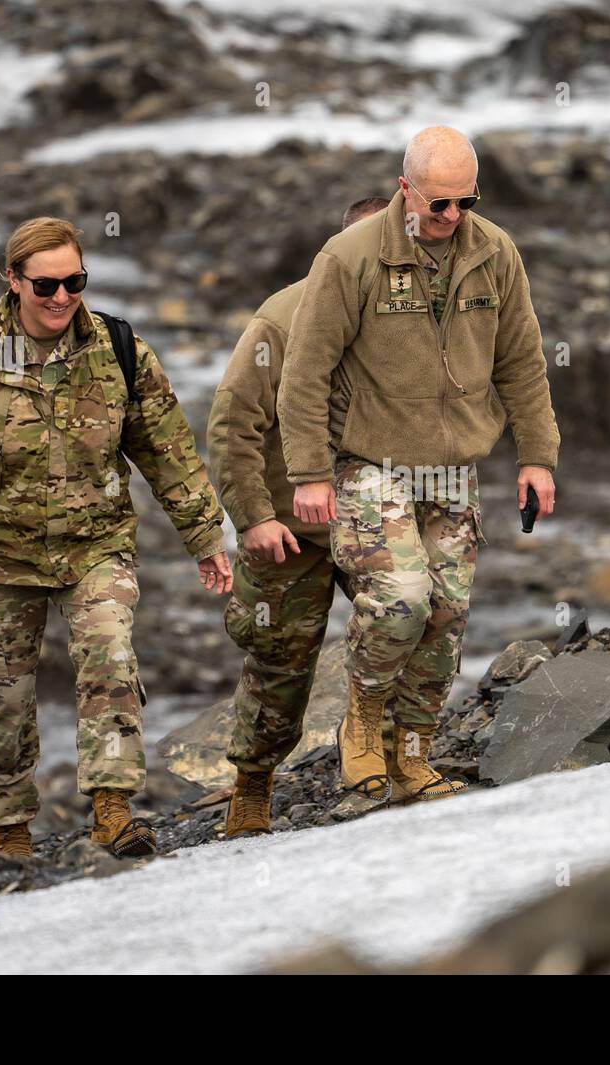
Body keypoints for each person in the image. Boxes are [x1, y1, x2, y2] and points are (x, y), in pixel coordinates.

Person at [0, 216, 232, 858]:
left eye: (74, 282)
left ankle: (113, 812)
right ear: (13, 280)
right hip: (0, 560)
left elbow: (167, 451)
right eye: (46, 285)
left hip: (96, 547)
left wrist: (206, 538)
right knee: (6, 698)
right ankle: (10, 837)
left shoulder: (118, 350)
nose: (61, 298)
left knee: (109, 657)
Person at [278, 126, 560, 804]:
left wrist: (537, 457)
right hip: (369, 460)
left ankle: (412, 755)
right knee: (401, 600)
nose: (453, 217)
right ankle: (363, 720)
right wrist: (309, 472)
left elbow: (520, 360)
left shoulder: (495, 254)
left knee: (445, 615)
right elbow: (304, 371)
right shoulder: (348, 258)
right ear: (406, 189)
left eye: (466, 201)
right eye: (439, 204)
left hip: (454, 465)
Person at [207, 196, 388, 838]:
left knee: (408, 622)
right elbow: (232, 425)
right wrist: (253, 517)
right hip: (292, 528)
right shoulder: (281, 322)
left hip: (378, 515)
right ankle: (252, 786)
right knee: (279, 662)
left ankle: (381, 749)